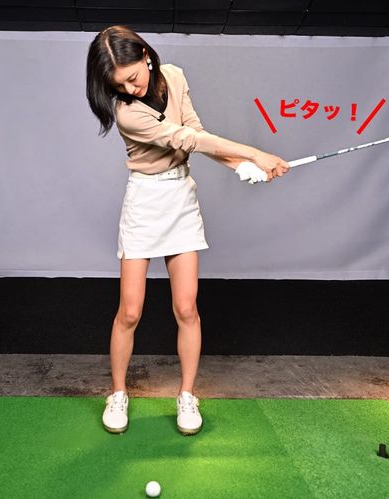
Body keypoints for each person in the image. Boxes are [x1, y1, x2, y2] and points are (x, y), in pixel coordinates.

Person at [85, 25, 290, 436]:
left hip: (180, 197)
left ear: (145, 55)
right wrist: (256, 153)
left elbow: (197, 131)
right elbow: (188, 140)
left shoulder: (175, 77)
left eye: (132, 77)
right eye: (119, 85)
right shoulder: (127, 112)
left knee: (186, 308)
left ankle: (187, 395)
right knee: (130, 311)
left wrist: (241, 167)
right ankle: (118, 393)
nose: (129, 89)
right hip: (144, 202)